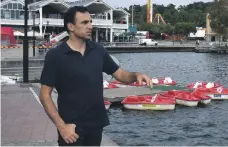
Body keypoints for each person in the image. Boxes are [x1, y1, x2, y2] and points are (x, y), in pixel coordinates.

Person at [40, 6, 153, 146]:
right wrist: (62, 127)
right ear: (71, 26)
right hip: (71, 128)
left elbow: (120, 74)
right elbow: (45, 95)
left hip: (96, 124)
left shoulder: (98, 50)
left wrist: (136, 75)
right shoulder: (56, 56)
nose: (90, 26)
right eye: (84, 22)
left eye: (90, 22)